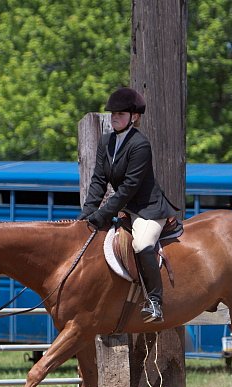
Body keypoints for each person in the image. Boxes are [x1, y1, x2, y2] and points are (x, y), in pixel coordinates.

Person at [78, 87, 177, 323]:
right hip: (124, 209)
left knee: (142, 244)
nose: (114, 118)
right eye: (113, 113)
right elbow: (98, 181)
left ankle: (155, 301)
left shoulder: (140, 144)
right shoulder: (106, 142)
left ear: (134, 117)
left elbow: (129, 187)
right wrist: (85, 216)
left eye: (120, 114)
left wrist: (103, 214)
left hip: (147, 209)